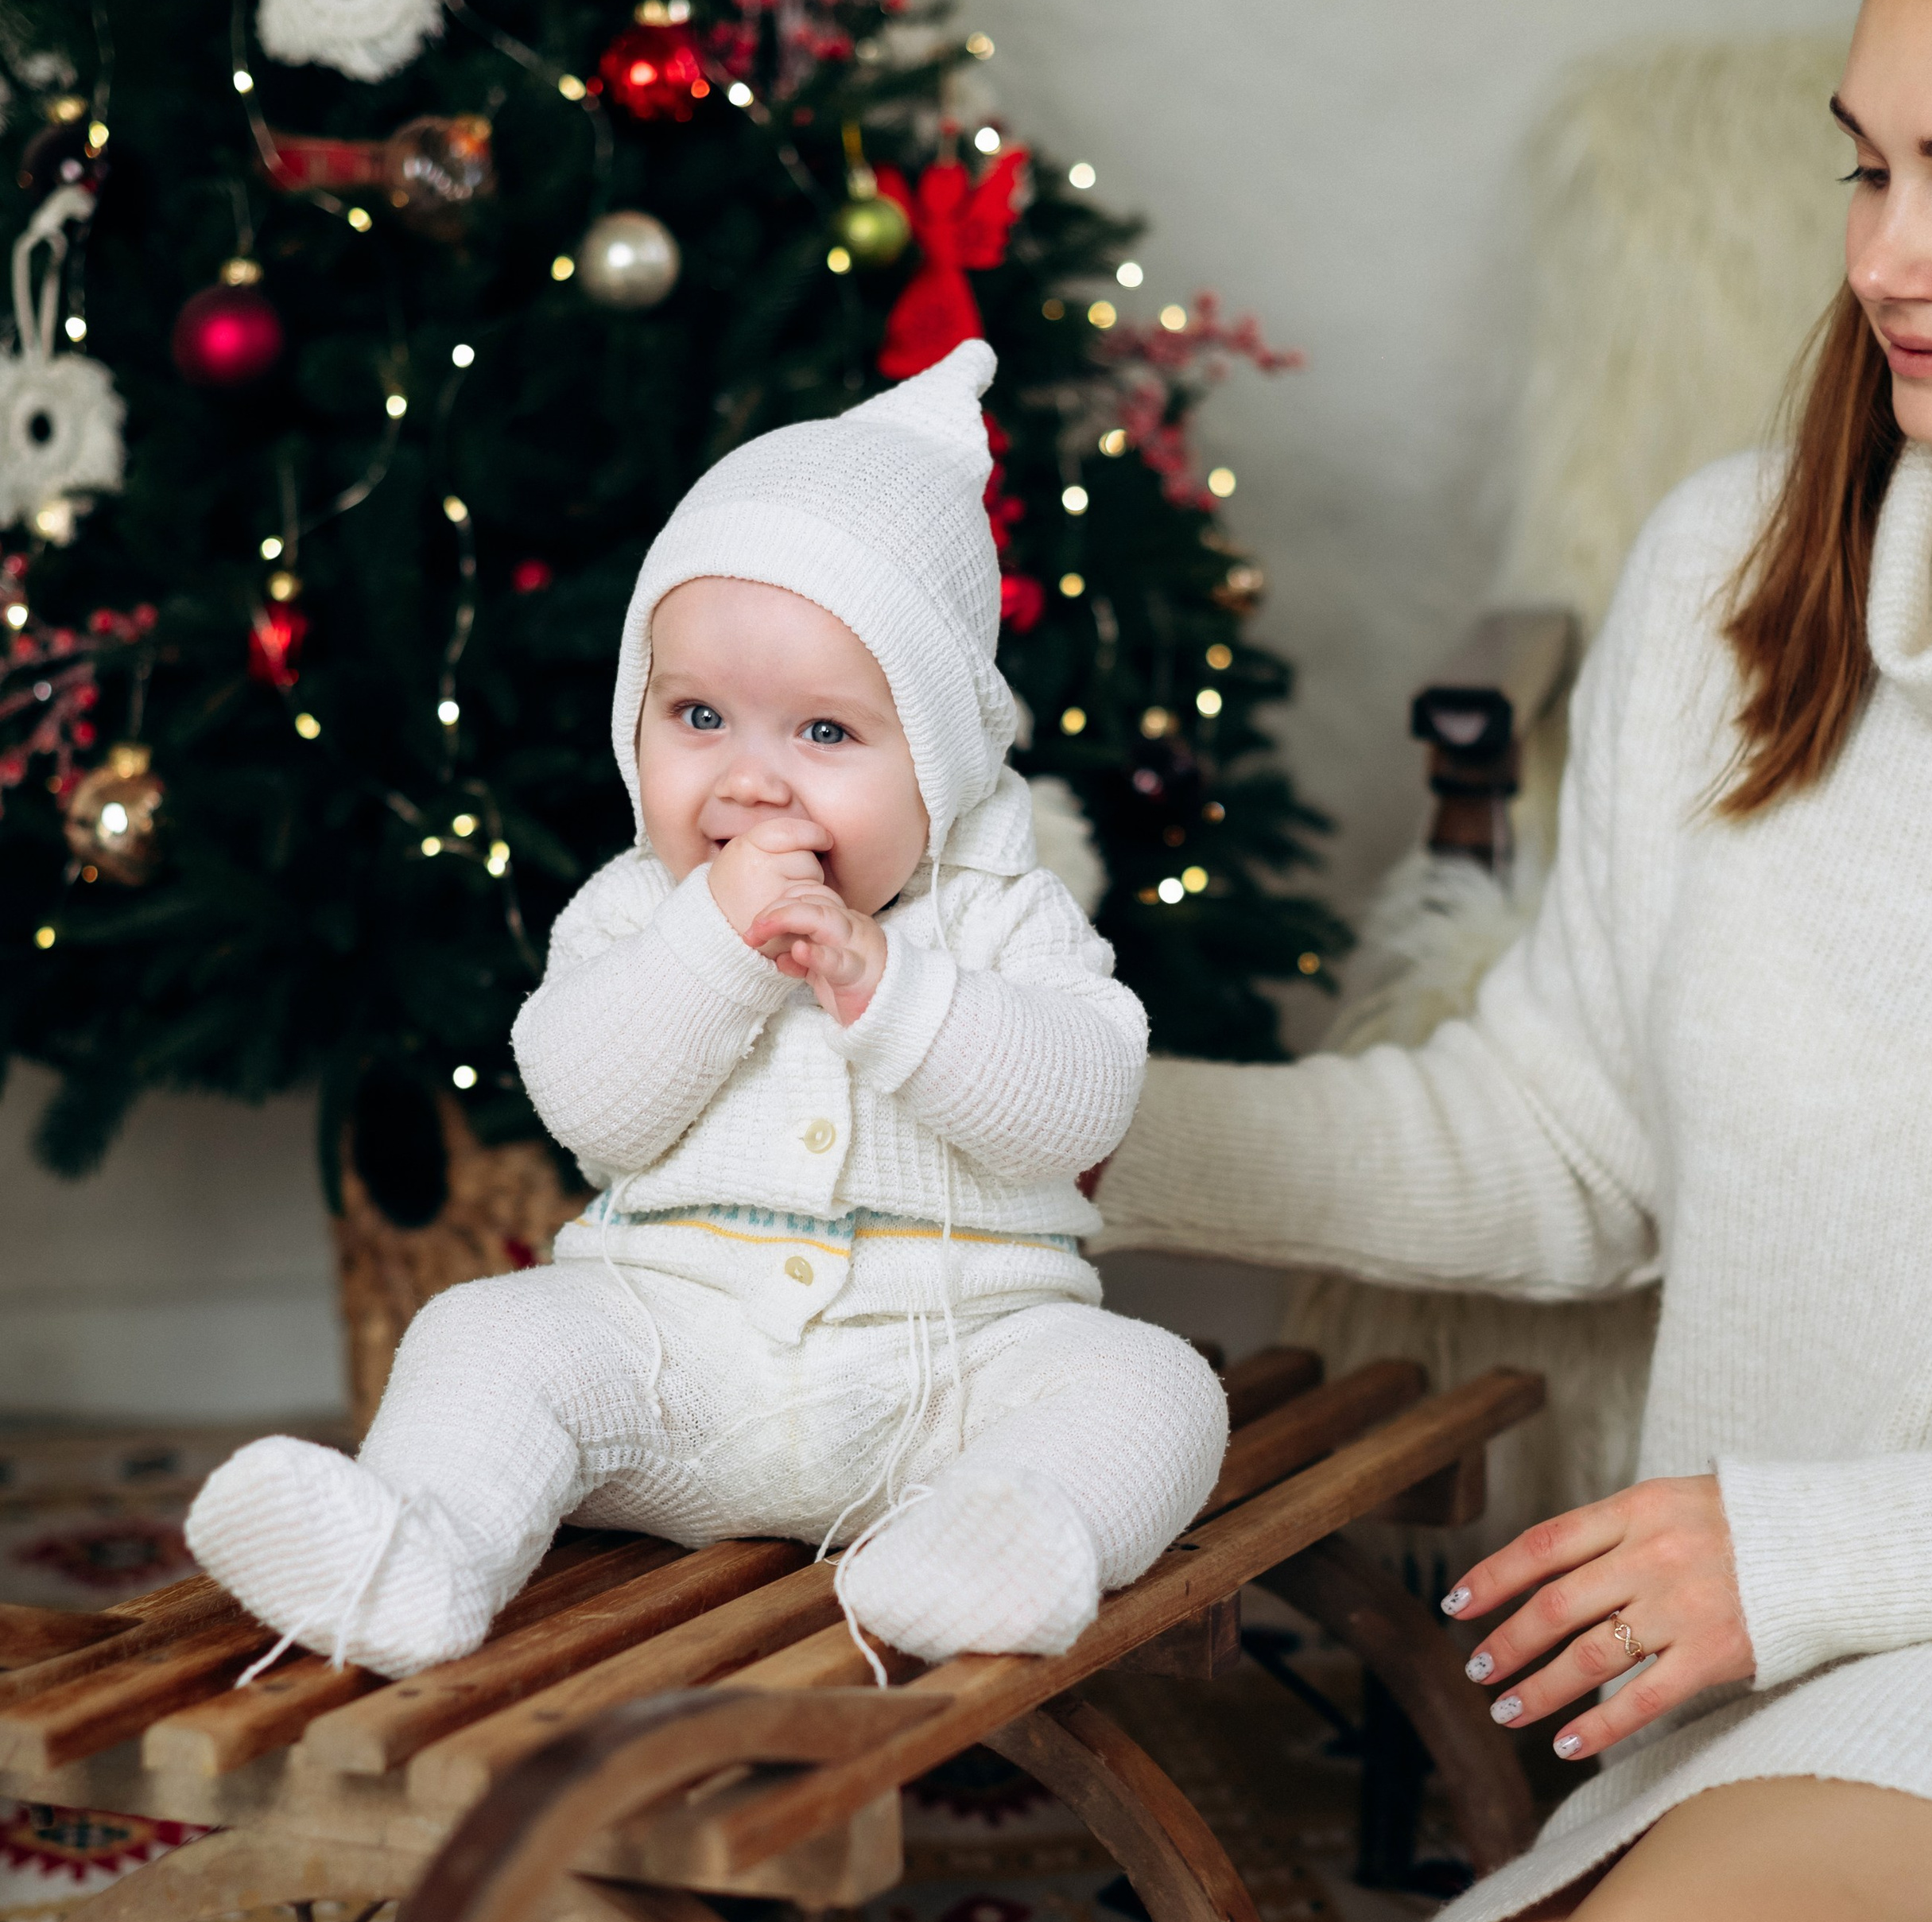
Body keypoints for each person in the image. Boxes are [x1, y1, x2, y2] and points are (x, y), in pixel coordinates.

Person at [1096, 0, 1932, 1922]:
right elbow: (1561, 1139)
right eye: (1868, 168)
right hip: (1842, 1673)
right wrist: (1076, 1122)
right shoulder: (1750, 576)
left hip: (1911, 1601)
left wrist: (1813, 1550)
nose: (1884, 259)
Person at [188, 340, 1227, 1681]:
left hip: (948, 1368)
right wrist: (713, 951)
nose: (751, 784)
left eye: (825, 734)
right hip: (672, 1358)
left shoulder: (998, 914)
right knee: (479, 1333)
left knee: (1155, 1389)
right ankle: (416, 1558)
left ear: (944, 762)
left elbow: (1078, 1106)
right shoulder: (637, 910)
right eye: (698, 717)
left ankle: (986, 1548)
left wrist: (891, 989)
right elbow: (588, 1102)